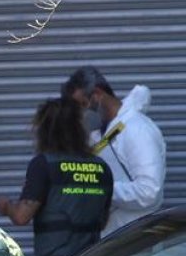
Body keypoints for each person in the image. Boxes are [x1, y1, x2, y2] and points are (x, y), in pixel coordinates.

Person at [0, 98, 114, 256]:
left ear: (44, 131)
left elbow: (21, 216)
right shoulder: (102, 167)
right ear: (79, 129)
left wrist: (6, 206)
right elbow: (103, 221)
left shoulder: (44, 164)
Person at [62, 66, 165, 235]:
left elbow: (149, 192)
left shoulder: (137, 130)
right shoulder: (105, 133)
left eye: (83, 105)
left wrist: (98, 188)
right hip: (115, 239)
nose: (81, 113)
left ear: (97, 94)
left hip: (137, 239)